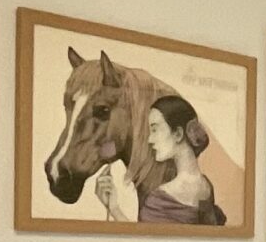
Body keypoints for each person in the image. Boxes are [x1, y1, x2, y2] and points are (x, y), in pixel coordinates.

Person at [96, 93, 224, 225]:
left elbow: (144, 237)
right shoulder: (206, 186)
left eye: (155, 130)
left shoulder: (162, 200)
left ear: (178, 134)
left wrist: (114, 209)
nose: (150, 140)